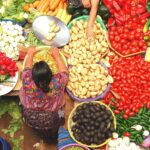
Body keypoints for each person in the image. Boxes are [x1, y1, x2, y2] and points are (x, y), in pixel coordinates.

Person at [19, 46, 68, 143]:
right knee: (56, 121)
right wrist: (57, 56)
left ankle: (41, 133)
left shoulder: (28, 81)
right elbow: (65, 72)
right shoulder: (57, 82)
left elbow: (27, 68)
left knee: (39, 127)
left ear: (33, 76)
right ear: (52, 74)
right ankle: (53, 136)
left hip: (31, 116)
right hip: (53, 117)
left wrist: (30, 53)